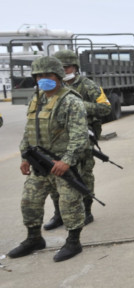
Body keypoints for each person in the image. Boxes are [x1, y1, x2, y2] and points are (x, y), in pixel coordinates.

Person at [7, 56, 89, 262]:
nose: (42, 79)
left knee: (69, 203)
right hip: (38, 163)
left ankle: (73, 241)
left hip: (62, 164)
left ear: (58, 76)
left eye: (47, 75)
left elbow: (80, 135)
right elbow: (28, 131)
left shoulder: (71, 101)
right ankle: (34, 238)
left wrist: (67, 160)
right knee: (29, 202)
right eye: (39, 75)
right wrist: (24, 156)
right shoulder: (37, 99)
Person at [39, 49, 111, 229]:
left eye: (67, 66)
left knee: (84, 176)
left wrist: (78, 105)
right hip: (55, 142)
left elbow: (105, 108)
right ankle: (59, 214)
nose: (64, 70)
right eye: (60, 67)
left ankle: (86, 210)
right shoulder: (52, 87)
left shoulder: (87, 85)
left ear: (75, 67)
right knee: (56, 178)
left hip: (82, 140)